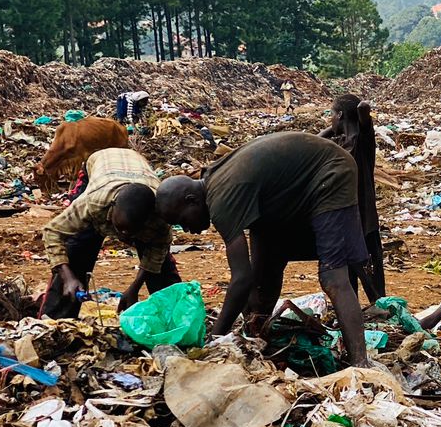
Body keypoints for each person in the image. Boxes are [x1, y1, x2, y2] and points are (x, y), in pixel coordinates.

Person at [154, 132, 371, 367]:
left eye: (182, 220)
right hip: (284, 198)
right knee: (262, 282)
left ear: (191, 200)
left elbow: (240, 280)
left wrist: (214, 340)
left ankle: (360, 363)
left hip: (330, 174)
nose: (187, 229)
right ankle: (260, 339)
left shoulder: (221, 201)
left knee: (332, 277)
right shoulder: (214, 180)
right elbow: (251, 280)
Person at [40, 148, 179, 318]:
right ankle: (56, 321)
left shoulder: (160, 220)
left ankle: (173, 321)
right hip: (101, 164)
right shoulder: (93, 203)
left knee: (162, 272)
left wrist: (133, 289)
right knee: (77, 253)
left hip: (136, 168)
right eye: (119, 228)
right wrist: (68, 277)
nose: (122, 237)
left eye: (130, 234)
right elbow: (52, 232)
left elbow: (156, 252)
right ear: (112, 209)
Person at [318, 94, 385, 300]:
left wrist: (356, 115)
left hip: (364, 219)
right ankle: (355, 311)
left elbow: (364, 107)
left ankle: (382, 309)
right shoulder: (338, 142)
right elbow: (314, 141)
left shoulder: (362, 139)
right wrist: (334, 127)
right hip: (345, 219)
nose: (330, 119)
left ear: (339, 114)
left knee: (372, 277)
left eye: (331, 114)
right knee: (348, 276)